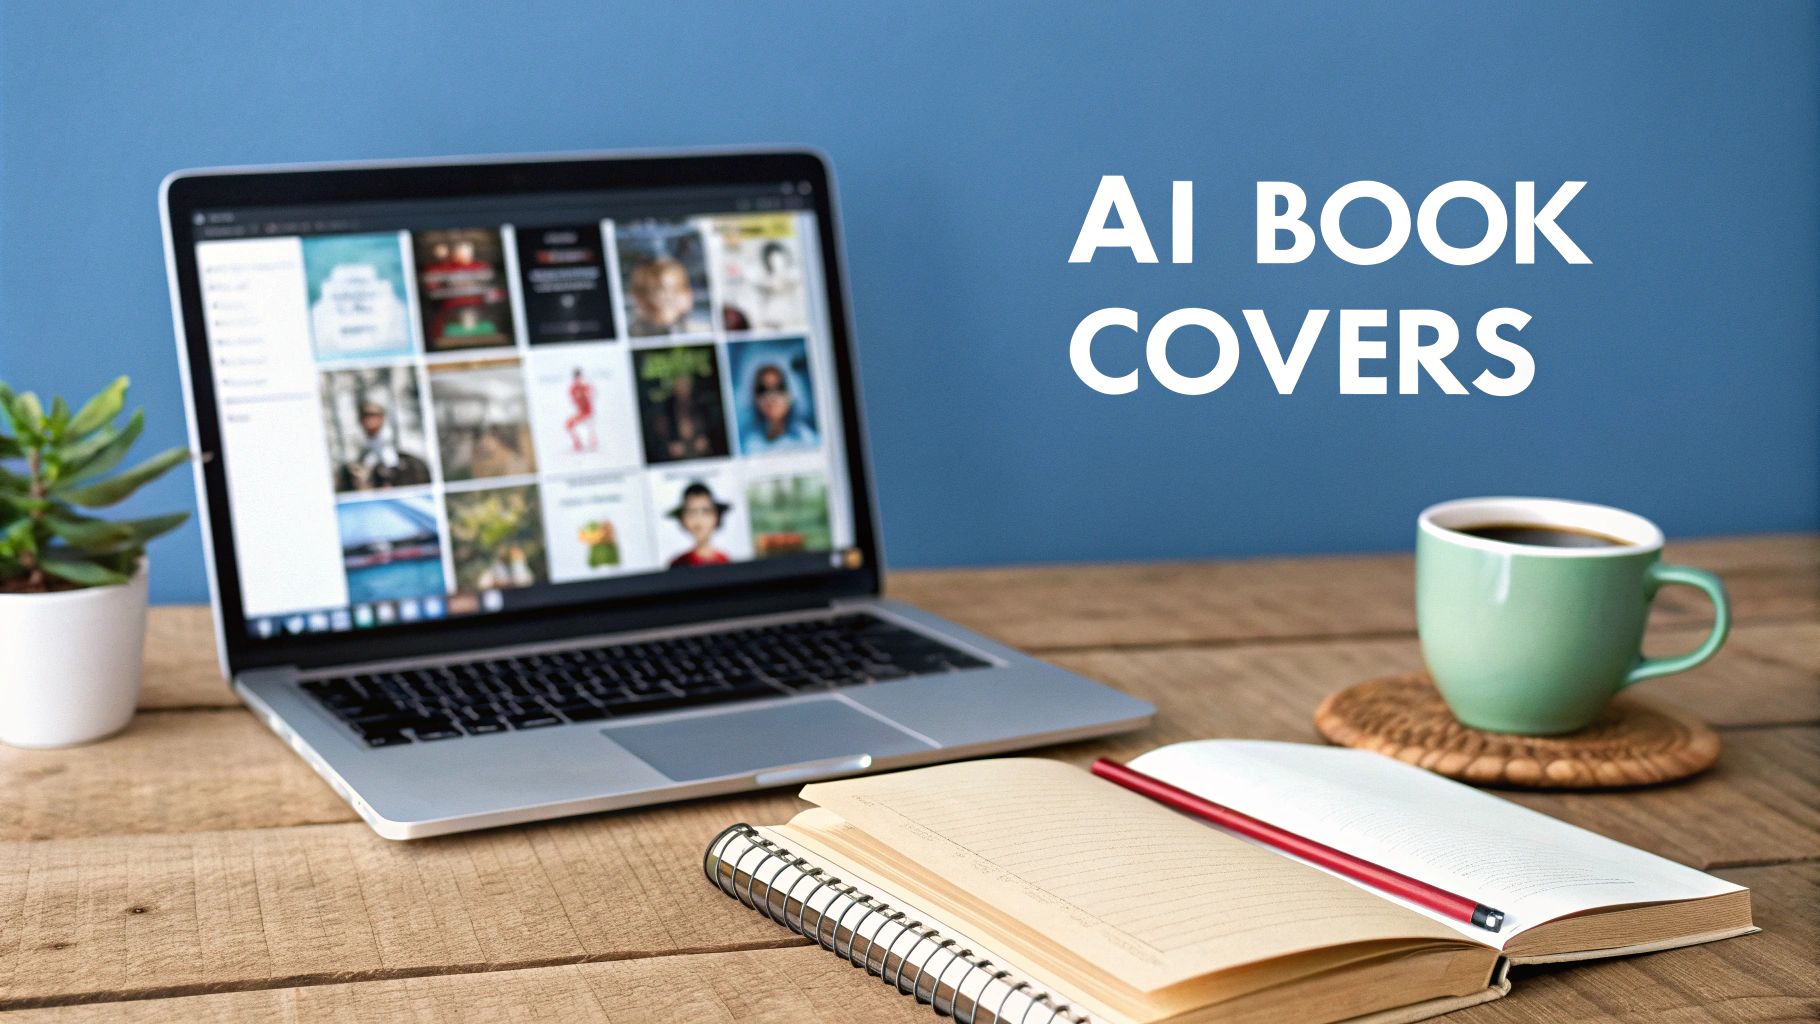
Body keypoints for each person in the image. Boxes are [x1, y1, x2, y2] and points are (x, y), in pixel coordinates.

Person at [337, 394, 431, 491]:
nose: (369, 421)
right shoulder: (358, 460)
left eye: (374, 416)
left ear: (382, 418)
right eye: (366, 417)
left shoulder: (406, 461)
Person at [740, 364, 816, 454]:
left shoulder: (807, 440)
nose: (771, 398)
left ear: (790, 394)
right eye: (763, 390)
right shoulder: (749, 445)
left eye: (779, 388)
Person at [627, 258, 707, 336]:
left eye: (674, 289)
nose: (664, 295)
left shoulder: (700, 327)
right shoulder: (635, 329)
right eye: (657, 288)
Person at [666, 482, 732, 567]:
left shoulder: (725, 560)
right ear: (682, 519)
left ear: (716, 516)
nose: (699, 520)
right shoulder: (679, 563)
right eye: (692, 512)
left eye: (705, 511)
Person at [565, 368, 596, 452]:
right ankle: (577, 443)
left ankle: (591, 442)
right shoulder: (574, 388)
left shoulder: (585, 386)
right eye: (576, 377)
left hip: (587, 412)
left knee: (586, 426)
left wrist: (583, 394)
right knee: (568, 424)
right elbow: (573, 399)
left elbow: (590, 394)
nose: (577, 379)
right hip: (581, 412)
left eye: (578, 377)